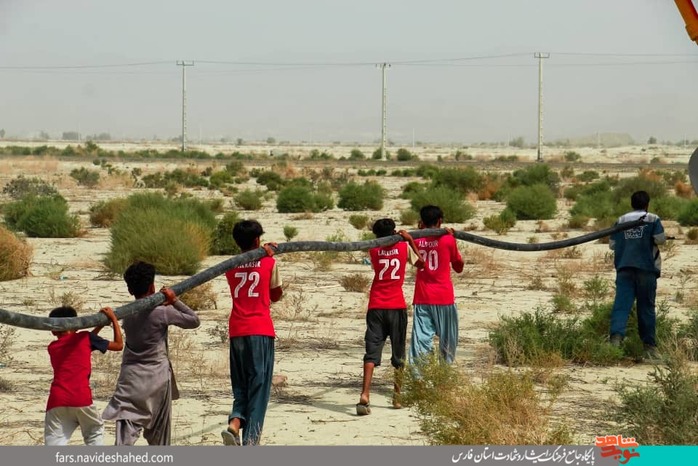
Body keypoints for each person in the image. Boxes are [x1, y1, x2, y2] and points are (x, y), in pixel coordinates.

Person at [102, 261, 200, 445]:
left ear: (130, 290)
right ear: (152, 287)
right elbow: (194, 320)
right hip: (157, 378)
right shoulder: (162, 312)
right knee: (160, 439)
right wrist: (175, 300)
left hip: (130, 381)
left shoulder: (126, 314)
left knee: (124, 438)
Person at [221, 220, 283, 446]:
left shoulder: (229, 266)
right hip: (260, 329)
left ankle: (235, 421)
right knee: (259, 387)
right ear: (257, 240)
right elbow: (276, 295)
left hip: (237, 330)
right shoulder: (268, 262)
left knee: (240, 385)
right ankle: (251, 442)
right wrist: (265, 256)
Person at [356, 218, 424, 416]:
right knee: (398, 352)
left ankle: (365, 393)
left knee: (371, 351)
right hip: (396, 305)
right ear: (394, 232)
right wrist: (409, 240)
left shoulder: (374, 249)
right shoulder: (403, 247)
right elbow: (421, 263)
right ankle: (397, 396)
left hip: (376, 305)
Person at [45, 306, 123, 445]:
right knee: (94, 432)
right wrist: (113, 319)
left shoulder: (52, 347)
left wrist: (99, 326)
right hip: (81, 397)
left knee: (54, 442)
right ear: (76, 325)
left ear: (53, 330)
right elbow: (118, 345)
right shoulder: (86, 337)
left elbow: (82, 343)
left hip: (56, 399)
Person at [609, 190, 666, 360]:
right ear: (647, 204)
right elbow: (660, 239)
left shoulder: (621, 220)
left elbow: (612, 245)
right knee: (646, 308)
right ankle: (649, 348)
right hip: (646, 269)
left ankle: (615, 343)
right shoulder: (653, 219)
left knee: (621, 306)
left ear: (631, 204)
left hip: (624, 269)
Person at [409, 205, 464, 368]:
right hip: (444, 297)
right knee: (448, 340)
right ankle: (445, 372)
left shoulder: (415, 240)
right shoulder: (447, 239)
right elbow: (458, 267)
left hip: (422, 297)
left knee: (421, 339)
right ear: (440, 221)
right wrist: (453, 242)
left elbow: (415, 260)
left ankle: (419, 375)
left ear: (422, 222)